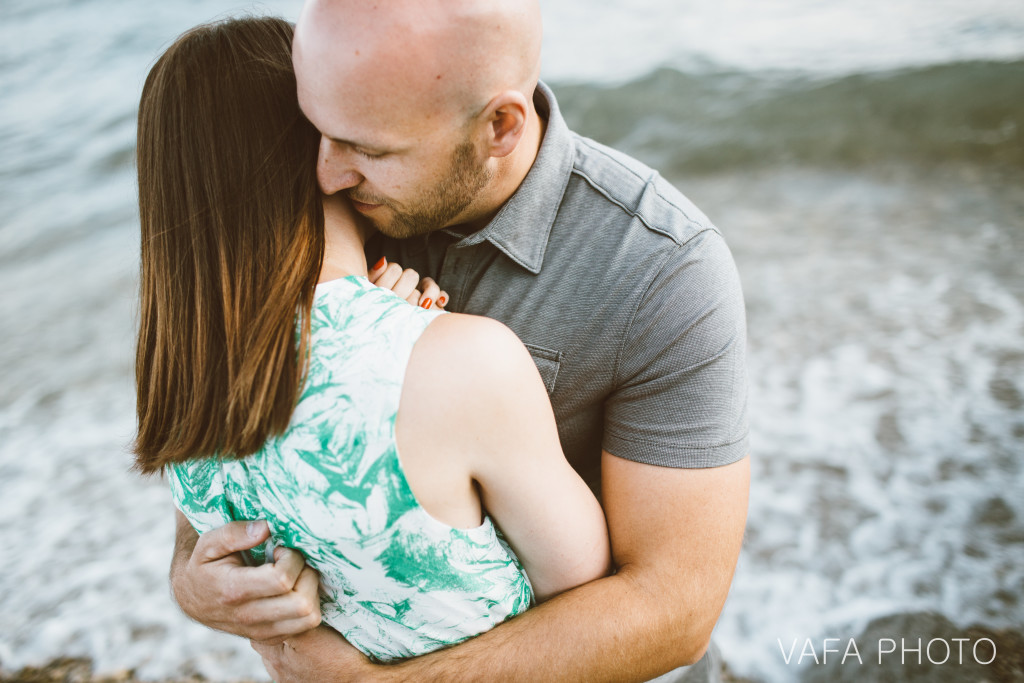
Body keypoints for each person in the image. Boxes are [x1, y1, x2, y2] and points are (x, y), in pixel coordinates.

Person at [171, 1, 751, 681]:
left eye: (369, 148)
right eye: (315, 132)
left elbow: (672, 609)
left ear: (500, 126)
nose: (324, 173)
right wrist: (193, 580)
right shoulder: (327, 211)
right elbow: (228, 455)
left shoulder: (663, 271)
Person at [134, 15, 611, 664]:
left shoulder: (181, 386)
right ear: (310, 142)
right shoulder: (462, 364)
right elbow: (584, 579)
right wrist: (409, 349)